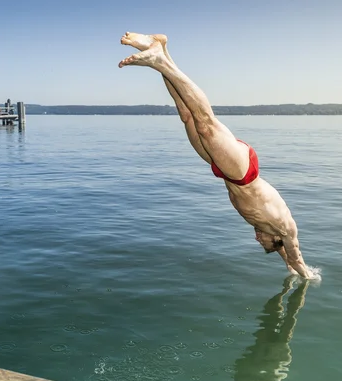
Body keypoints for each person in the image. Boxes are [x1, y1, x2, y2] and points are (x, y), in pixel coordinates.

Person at [119, 32, 311, 279]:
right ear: (276, 239)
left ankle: (161, 51)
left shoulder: (267, 228)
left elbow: (284, 255)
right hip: (243, 171)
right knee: (205, 123)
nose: (257, 238)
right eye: (262, 242)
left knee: (187, 116)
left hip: (223, 169)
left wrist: (286, 265)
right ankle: (159, 60)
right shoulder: (285, 229)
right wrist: (305, 275)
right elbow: (294, 255)